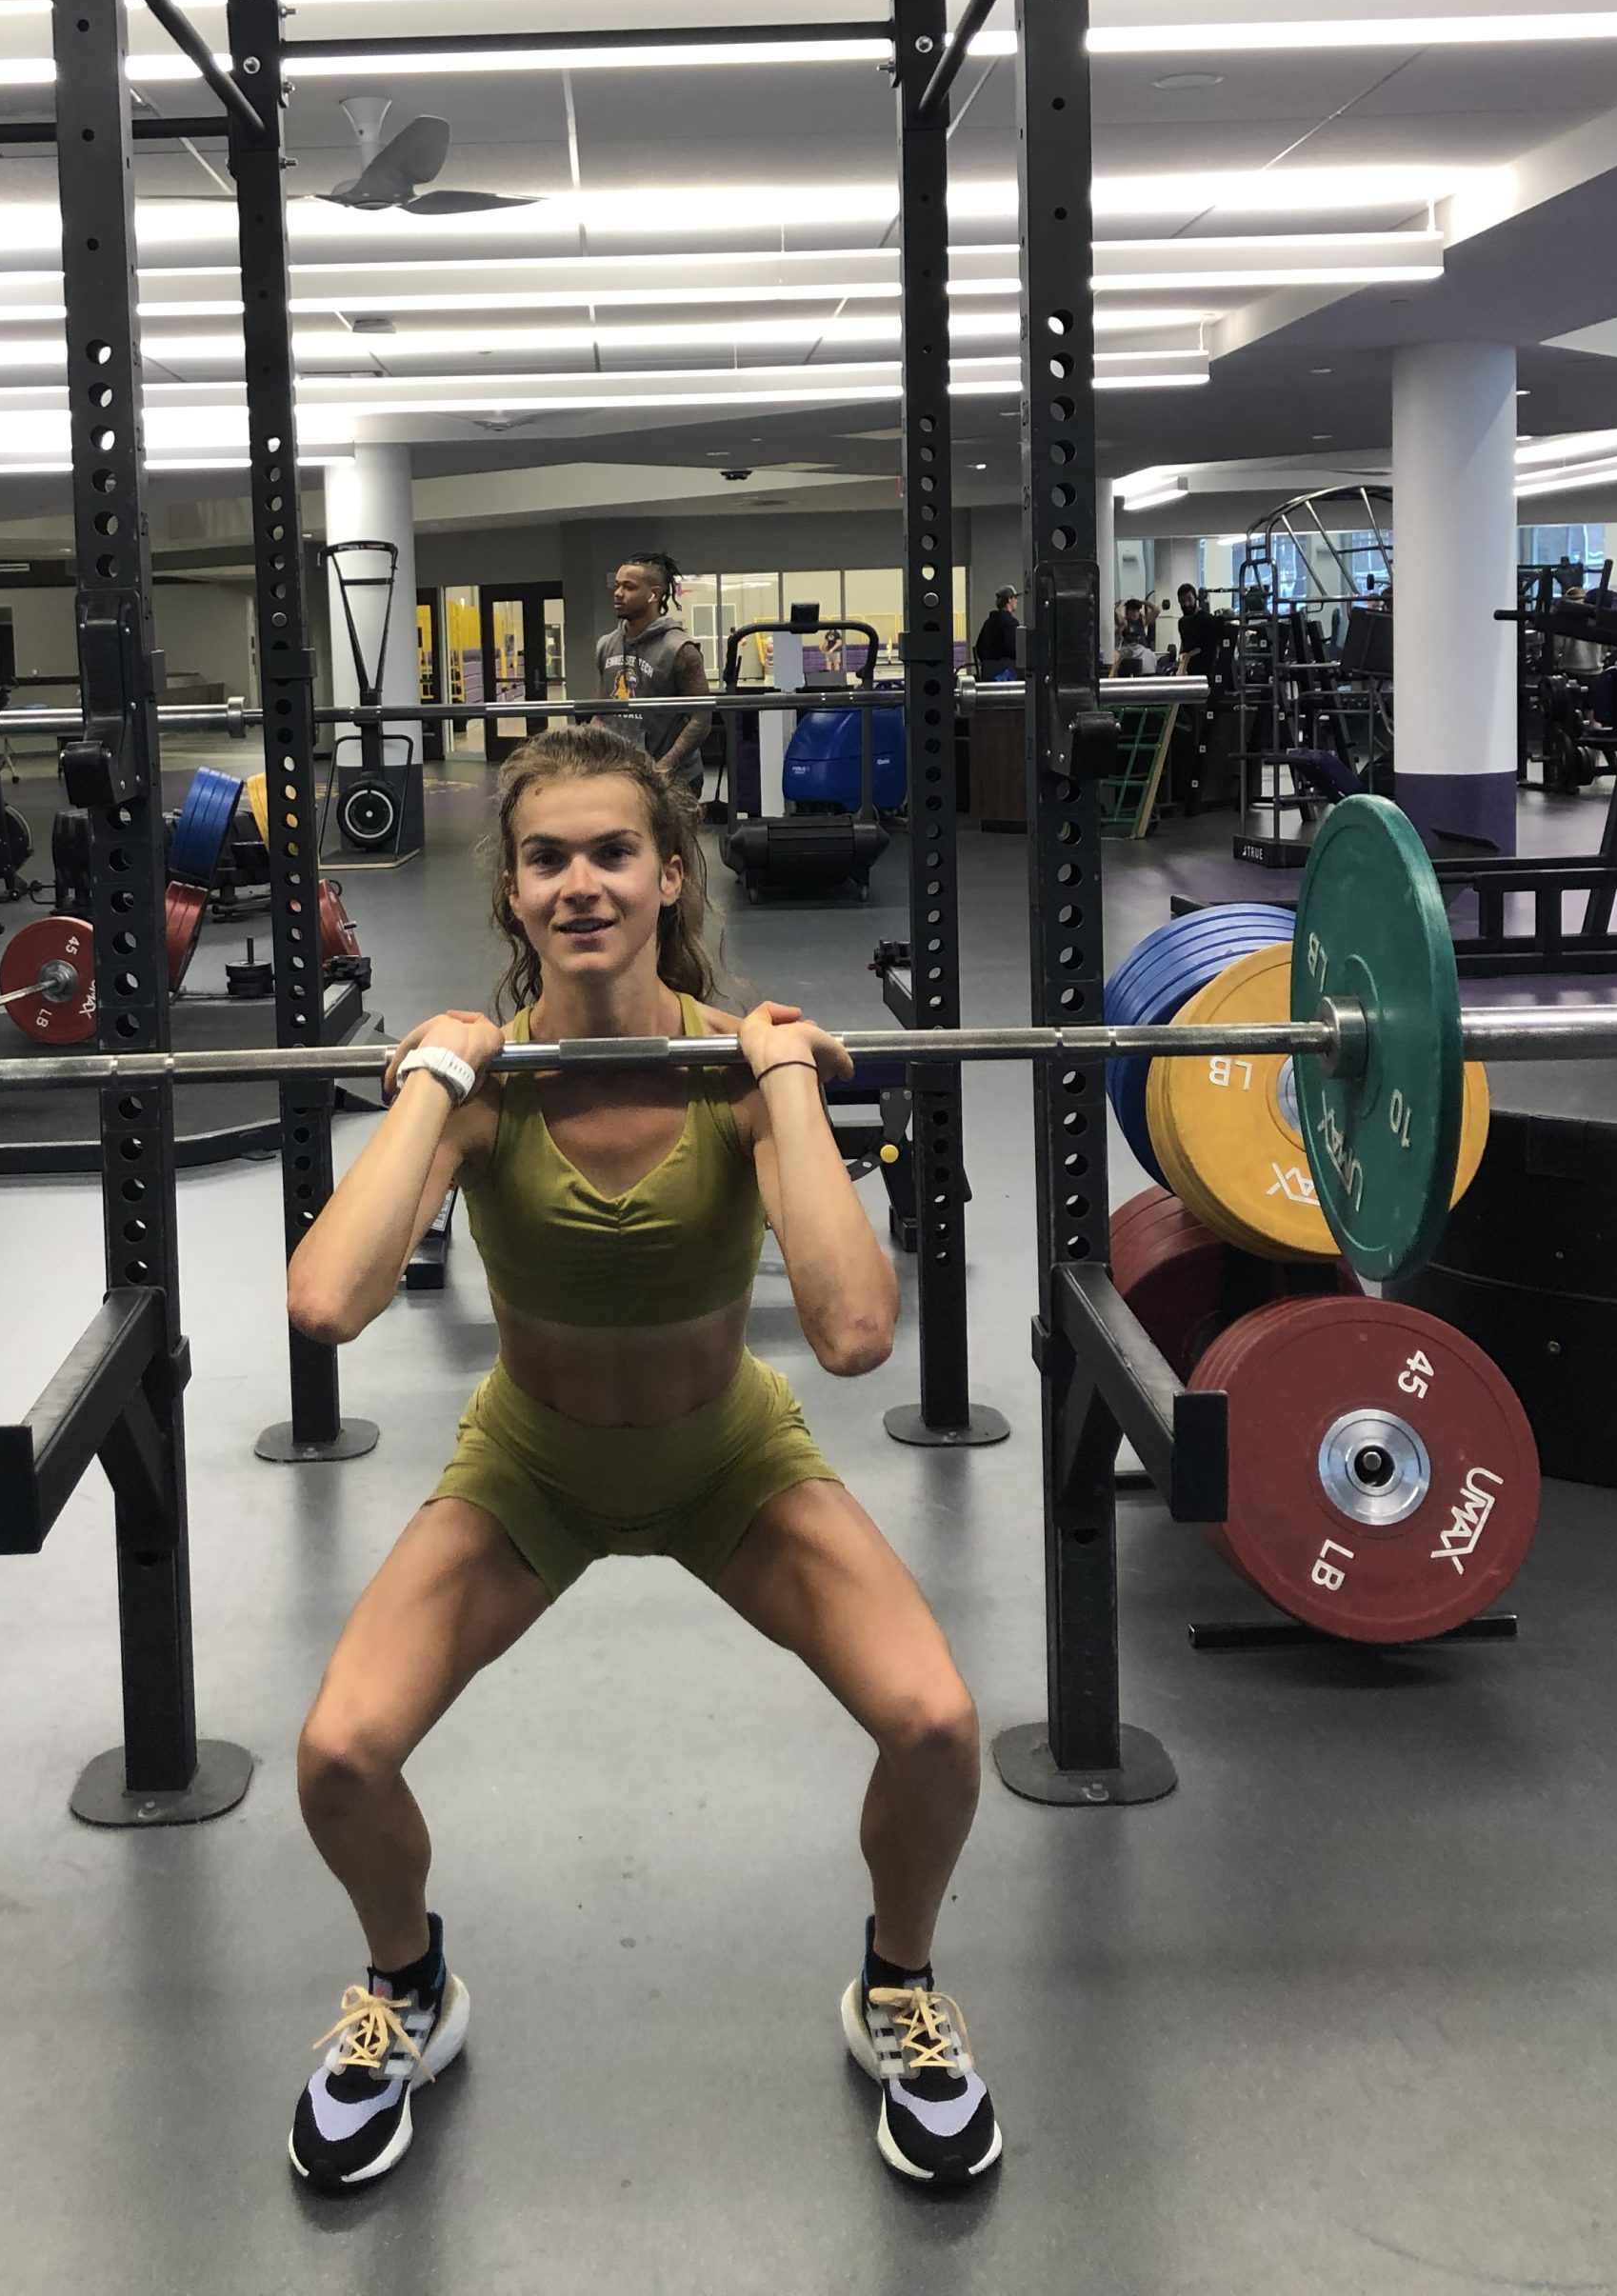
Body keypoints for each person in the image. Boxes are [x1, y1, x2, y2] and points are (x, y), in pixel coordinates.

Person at [282, 728, 998, 2195]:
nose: (581, 884)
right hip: (529, 1469)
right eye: (547, 859)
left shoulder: (733, 1075)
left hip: (725, 1461)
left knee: (935, 1724)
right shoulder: (486, 1087)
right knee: (340, 1759)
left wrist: (787, 1077)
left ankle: (899, 1988)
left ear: (671, 876)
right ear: (514, 895)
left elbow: (859, 1333)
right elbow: (325, 1303)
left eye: (614, 853)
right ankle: (409, 1989)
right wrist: (429, 1078)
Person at [594, 551, 712, 796]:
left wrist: (662, 770)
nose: (618, 593)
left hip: (673, 780)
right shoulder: (606, 645)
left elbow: (700, 721)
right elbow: (601, 713)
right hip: (622, 776)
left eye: (628, 587)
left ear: (653, 594)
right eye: (616, 586)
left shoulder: (679, 649)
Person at [970, 585, 1020, 680]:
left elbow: (980, 648)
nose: (1017, 601)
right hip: (1006, 674)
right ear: (1009, 599)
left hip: (987, 673)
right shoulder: (1011, 623)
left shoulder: (988, 622)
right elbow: (1015, 650)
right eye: (1015, 598)